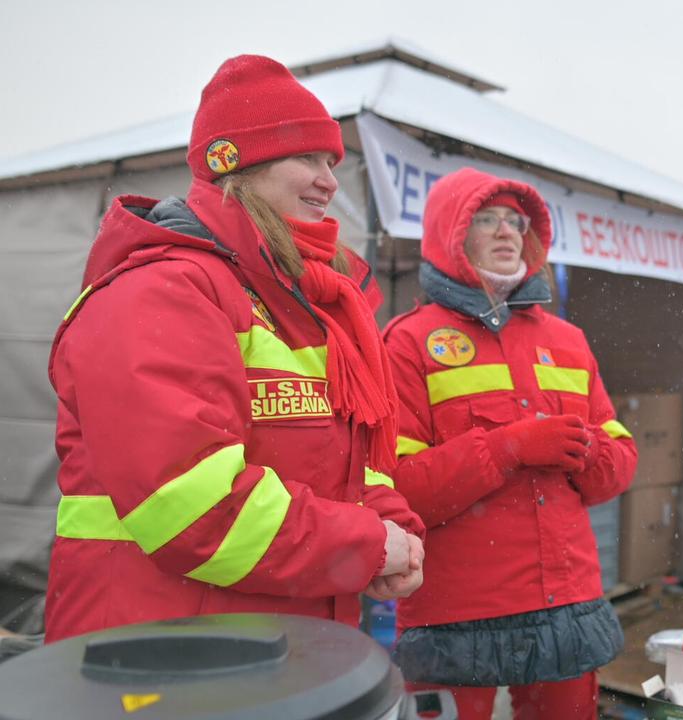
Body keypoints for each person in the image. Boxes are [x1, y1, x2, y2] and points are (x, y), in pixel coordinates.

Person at [44, 55, 425, 642]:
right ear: (237, 167)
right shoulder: (161, 290)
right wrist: (367, 544)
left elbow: (333, 462)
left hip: (268, 647)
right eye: (307, 158)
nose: (330, 180)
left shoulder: (303, 301)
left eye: (332, 161)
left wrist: (386, 515)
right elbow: (193, 506)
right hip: (158, 655)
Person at [384, 167, 638, 720]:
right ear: (450, 233)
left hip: (566, 603)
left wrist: (588, 452)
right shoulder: (408, 341)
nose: (506, 233)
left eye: (516, 222)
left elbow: (619, 464)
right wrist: (508, 449)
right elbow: (397, 490)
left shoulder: (567, 342)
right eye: (486, 219)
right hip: (454, 612)